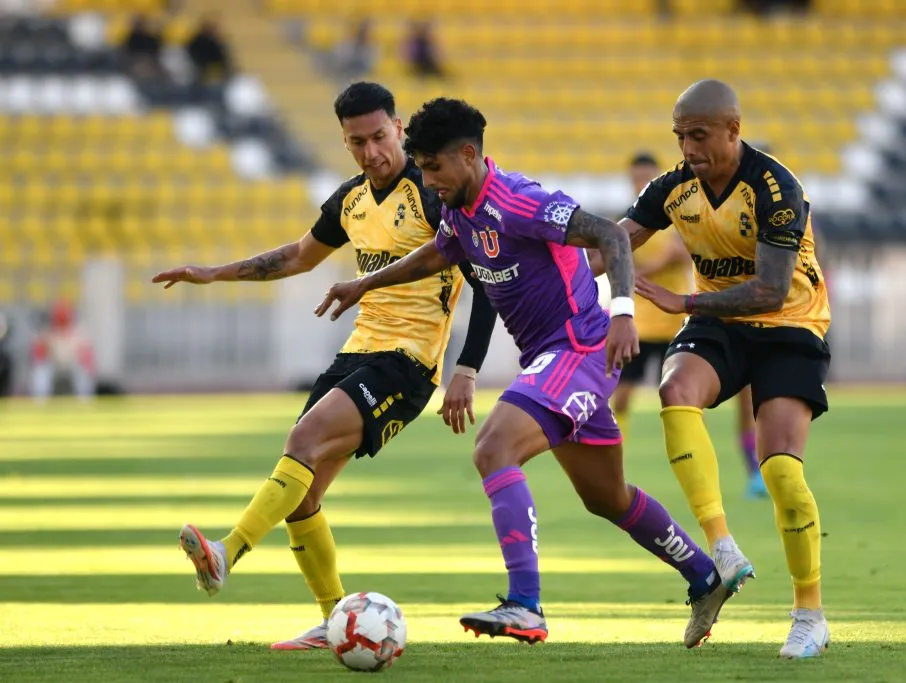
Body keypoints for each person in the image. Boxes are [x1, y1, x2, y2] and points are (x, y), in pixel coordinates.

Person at [315, 97, 731, 649]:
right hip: (551, 357)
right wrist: (364, 283)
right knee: (606, 497)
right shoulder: (459, 209)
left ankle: (526, 605)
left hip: (578, 349)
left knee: (494, 447)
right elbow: (437, 254)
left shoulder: (520, 201)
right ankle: (706, 576)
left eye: (434, 167)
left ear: (468, 155)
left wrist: (623, 314)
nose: (427, 180)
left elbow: (610, 235)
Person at [152, 82, 498, 651]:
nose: (371, 152)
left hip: (409, 363)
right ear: (344, 142)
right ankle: (334, 619)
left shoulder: (432, 192)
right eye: (357, 143)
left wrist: (467, 369)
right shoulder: (351, 201)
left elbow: (484, 280)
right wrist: (212, 273)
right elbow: (296, 256)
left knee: (302, 440)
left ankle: (225, 553)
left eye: (379, 137)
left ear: (398, 130)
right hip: (358, 352)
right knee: (302, 493)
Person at [601, 78, 831, 658]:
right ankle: (722, 548)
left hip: (788, 324)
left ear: (733, 129)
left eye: (699, 135)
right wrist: (552, 264)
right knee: (675, 389)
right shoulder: (673, 187)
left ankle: (809, 613)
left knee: (783, 474)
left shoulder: (776, 187)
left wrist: (683, 302)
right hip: (719, 322)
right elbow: (615, 243)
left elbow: (771, 291)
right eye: (680, 136)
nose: (688, 148)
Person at [613, 153, 766, 498]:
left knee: (710, 401)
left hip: (679, 322)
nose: (641, 183)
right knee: (620, 398)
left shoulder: (680, 215)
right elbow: (618, 263)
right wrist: (655, 266)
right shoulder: (627, 224)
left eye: (647, 177)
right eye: (636, 178)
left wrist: (643, 270)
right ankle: (613, 468)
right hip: (642, 323)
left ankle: (751, 471)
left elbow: (684, 255)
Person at [29, 300, 95, 402]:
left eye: (63, 317)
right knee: (40, 370)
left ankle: (85, 401)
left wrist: (87, 364)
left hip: (72, 364)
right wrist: (43, 349)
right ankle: (40, 401)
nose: (61, 320)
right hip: (54, 364)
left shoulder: (78, 333)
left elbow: (87, 355)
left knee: (83, 371)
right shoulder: (47, 332)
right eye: (59, 317)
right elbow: (38, 354)